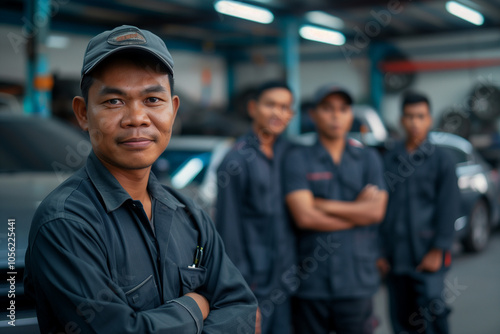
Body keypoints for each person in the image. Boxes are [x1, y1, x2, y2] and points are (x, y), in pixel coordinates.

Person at [24, 25, 258, 334]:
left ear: (173, 111)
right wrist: (194, 307)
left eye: (152, 100)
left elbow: (243, 312)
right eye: (114, 102)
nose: (136, 117)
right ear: (82, 113)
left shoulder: (189, 215)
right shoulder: (66, 224)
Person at [283, 85, 388, 334]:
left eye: (343, 109)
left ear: (350, 114)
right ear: (313, 114)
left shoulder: (368, 159)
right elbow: (305, 216)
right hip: (312, 282)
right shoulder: (298, 158)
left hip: (357, 281)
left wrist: (322, 204)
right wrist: (357, 212)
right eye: (327, 109)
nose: (335, 116)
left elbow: (375, 213)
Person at [215, 81, 296, 334]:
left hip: (288, 280)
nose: (278, 113)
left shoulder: (291, 154)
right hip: (254, 284)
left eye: (285, 107)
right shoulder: (236, 160)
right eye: (270, 105)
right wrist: (242, 296)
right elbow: (228, 233)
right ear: (253, 108)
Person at [378, 91, 460, 334]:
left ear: (429, 120)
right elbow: (381, 208)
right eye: (410, 116)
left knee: (432, 312)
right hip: (396, 256)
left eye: (420, 116)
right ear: (402, 120)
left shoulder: (442, 160)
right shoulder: (389, 159)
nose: (415, 122)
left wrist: (438, 249)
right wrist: (379, 251)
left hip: (428, 253)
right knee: (402, 319)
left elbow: (449, 207)